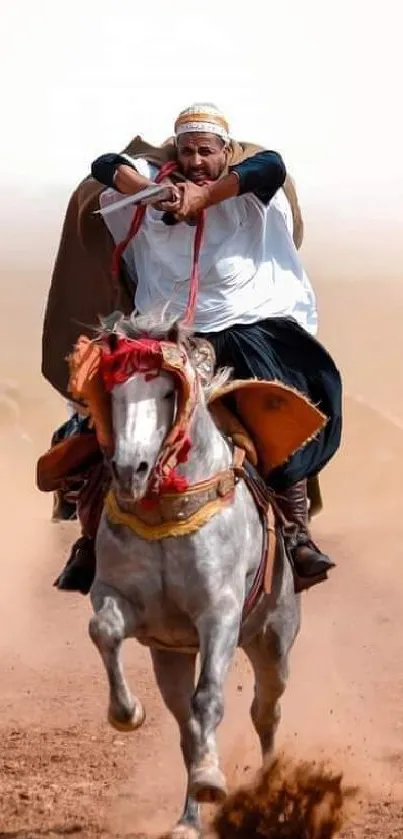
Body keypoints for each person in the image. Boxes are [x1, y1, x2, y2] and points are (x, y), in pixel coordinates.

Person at [48, 103, 342, 594]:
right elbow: (103, 164)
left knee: (282, 407)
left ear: (224, 152)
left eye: (206, 151)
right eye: (187, 150)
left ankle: (294, 534)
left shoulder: (252, 190)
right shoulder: (152, 180)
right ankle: (90, 537)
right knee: (101, 404)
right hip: (163, 331)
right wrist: (148, 193)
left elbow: (270, 165)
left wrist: (202, 198)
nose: (196, 159)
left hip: (248, 327)